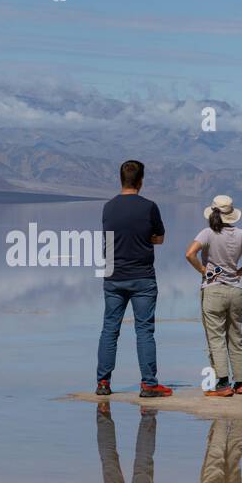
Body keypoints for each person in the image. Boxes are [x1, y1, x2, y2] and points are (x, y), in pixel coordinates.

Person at [96, 160, 172, 398]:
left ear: (121, 179)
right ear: (141, 181)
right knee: (145, 330)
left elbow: (106, 245)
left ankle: (103, 383)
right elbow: (159, 239)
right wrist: (143, 240)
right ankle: (149, 384)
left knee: (110, 329)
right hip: (142, 277)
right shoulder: (149, 206)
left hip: (113, 275)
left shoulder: (108, 207)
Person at [185, 195, 242, 397]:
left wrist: (203, 270)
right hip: (235, 291)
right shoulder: (241, 234)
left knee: (216, 338)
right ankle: (240, 383)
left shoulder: (207, 233)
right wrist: (240, 271)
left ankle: (222, 384)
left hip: (213, 290)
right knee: (236, 337)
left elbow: (189, 254)